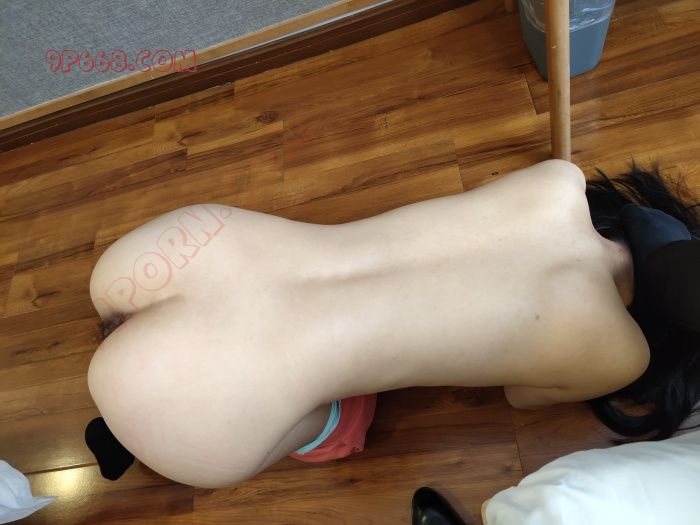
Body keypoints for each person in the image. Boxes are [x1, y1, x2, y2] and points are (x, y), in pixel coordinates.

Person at [84, 159, 699, 489]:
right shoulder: (621, 356)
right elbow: (518, 393)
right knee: (345, 426)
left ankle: (133, 369)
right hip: (202, 411)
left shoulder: (557, 179)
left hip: (169, 253)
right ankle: (131, 426)